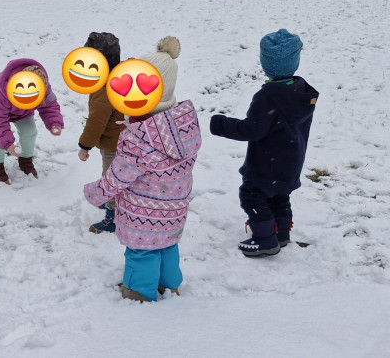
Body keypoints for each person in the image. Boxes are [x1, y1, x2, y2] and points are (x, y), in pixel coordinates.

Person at [84, 37, 202, 302]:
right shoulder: (183, 125)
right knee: (168, 246)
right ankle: (170, 285)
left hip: (143, 214)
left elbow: (117, 177)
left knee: (142, 252)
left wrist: (95, 193)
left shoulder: (139, 137)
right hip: (174, 209)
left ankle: (138, 291)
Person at [210, 29, 318, 257]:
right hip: (291, 161)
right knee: (280, 195)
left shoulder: (268, 96)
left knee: (252, 195)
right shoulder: (301, 92)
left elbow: (252, 129)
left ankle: (265, 238)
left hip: (267, 164)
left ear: (266, 63)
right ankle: (281, 233)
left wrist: (220, 124)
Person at [0, 58, 64, 184]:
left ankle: (25, 161)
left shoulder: (42, 86)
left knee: (30, 131)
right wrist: (9, 145)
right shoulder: (0, 90)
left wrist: (54, 123)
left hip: (21, 109)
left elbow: (49, 105)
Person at [75, 32, 127, 234]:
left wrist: (85, 146)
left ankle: (111, 218)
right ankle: (110, 200)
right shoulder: (123, 74)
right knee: (120, 175)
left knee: (112, 177)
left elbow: (97, 121)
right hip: (126, 138)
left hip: (114, 143)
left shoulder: (104, 88)